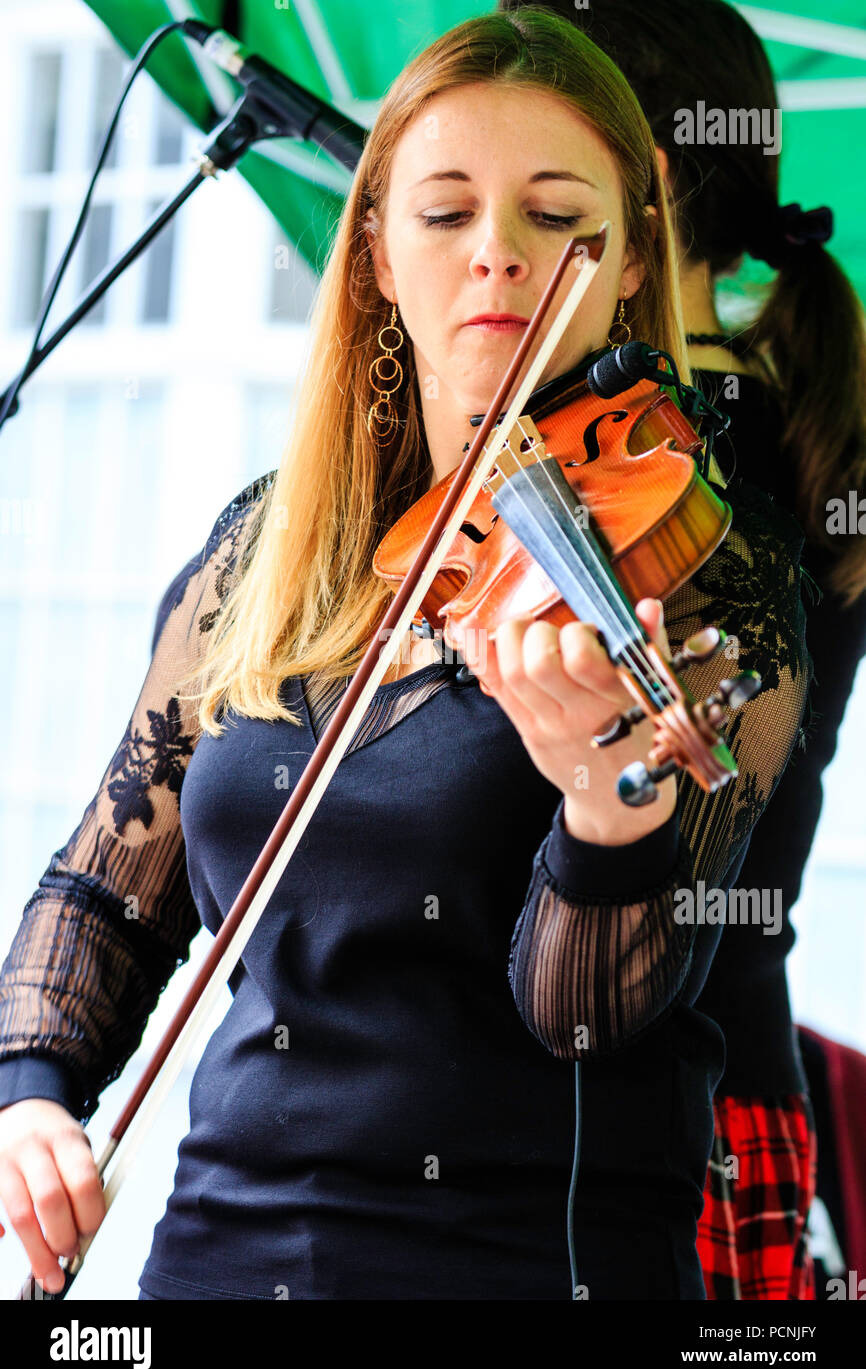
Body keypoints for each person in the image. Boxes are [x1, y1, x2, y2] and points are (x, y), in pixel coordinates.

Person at [0, 9, 808, 1301]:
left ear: (626, 254)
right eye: (445, 212)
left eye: (555, 216)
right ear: (374, 250)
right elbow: (106, 888)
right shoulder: (266, 551)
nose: (498, 254)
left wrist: (605, 815)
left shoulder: (709, 570)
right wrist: (33, 1096)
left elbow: (587, 1016)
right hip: (219, 1257)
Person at [500, 0, 866, 1299]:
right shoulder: (797, 424)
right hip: (735, 1096)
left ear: (637, 185)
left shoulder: (677, 465)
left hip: (621, 1131)